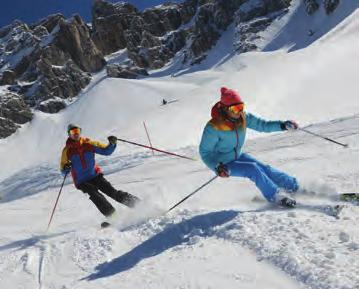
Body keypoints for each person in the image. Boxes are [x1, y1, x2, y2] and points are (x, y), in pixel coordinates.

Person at [199, 87, 300, 207]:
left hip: (238, 156)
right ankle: (275, 196)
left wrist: (283, 125)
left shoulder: (243, 118)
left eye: (241, 107)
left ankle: (293, 186)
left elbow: (263, 125)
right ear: (225, 108)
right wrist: (217, 167)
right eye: (235, 108)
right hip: (224, 164)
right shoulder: (214, 127)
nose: (239, 111)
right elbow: (205, 152)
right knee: (253, 169)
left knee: (264, 168)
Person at [60, 124, 140, 218]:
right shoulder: (67, 151)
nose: (76, 134)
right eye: (73, 132)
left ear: (80, 132)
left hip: (95, 176)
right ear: (69, 134)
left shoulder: (89, 144)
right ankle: (113, 216)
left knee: (112, 192)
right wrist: (66, 168)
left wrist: (112, 144)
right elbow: (63, 170)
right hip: (82, 181)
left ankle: (138, 205)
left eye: (77, 131)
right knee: (95, 196)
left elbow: (106, 151)